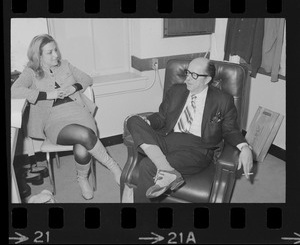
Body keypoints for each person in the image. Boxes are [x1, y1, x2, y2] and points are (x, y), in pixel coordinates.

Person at [11, 34, 122, 200]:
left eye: (56, 50)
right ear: (38, 56)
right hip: (53, 120)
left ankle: (82, 179)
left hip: (78, 111)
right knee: (85, 135)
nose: (56, 54)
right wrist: (47, 94)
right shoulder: (30, 72)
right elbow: (15, 90)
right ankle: (114, 167)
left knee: (83, 140)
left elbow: (86, 78)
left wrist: (74, 87)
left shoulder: (66, 65)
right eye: (50, 52)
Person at [127, 57, 253, 202]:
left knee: (147, 165)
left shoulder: (222, 100)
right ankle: (166, 169)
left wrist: (244, 147)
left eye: (194, 75)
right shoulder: (176, 91)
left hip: (196, 149)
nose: (187, 79)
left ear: (207, 79)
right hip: (167, 139)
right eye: (187, 73)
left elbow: (230, 130)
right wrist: (148, 122)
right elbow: (161, 118)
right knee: (133, 120)